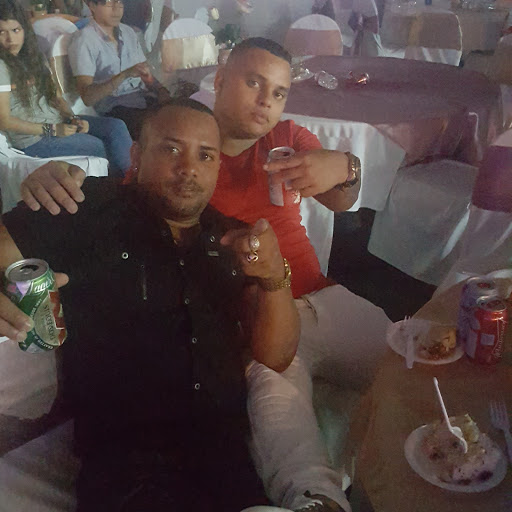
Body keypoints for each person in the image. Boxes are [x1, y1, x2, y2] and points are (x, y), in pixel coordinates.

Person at [17, 38, 391, 512]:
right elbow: (114, 208)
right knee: (279, 404)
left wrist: (345, 166)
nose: (265, 101)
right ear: (219, 80)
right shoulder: (168, 168)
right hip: (253, 320)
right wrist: (51, 179)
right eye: (253, 83)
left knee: (410, 362)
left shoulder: (287, 140)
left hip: (313, 297)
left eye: (278, 92)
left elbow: (341, 199)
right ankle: (319, 500)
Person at [0, 98, 300, 512]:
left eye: (205, 155)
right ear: (137, 156)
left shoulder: (233, 239)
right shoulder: (87, 207)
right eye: (171, 148)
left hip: (226, 460)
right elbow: (5, 240)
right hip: (127, 466)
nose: (188, 168)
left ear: (218, 166)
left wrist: (273, 278)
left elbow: (277, 356)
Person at [0, 0, 132, 176]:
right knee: (100, 146)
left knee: (116, 126)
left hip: (58, 122)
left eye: (16, 30)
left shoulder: (35, 57)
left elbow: (56, 97)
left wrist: (72, 118)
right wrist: (52, 129)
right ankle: (123, 185)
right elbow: (4, 120)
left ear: (24, 30)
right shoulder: (2, 66)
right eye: (2, 32)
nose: (10, 39)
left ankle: (132, 179)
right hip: (34, 139)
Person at [68, 0, 170, 139]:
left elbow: (145, 72)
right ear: (92, 6)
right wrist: (124, 75)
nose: (116, 8)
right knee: (157, 127)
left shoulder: (128, 32)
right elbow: (88, 97)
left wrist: (160, 89)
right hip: (115, 107)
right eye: (109, 3)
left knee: (179, 113)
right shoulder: (84, 40)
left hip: (142, 99)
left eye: (120, 2)